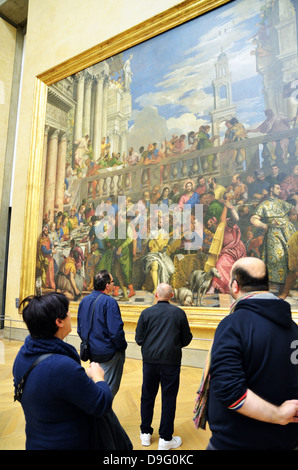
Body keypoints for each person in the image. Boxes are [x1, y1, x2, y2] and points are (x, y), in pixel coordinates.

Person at [206, 257, 298, 450]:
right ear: (266, 285)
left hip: (236, 442)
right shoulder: (293, 328)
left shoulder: (233, 325)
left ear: (235, 286)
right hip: (286, 440)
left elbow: (230, 391)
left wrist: (278, 414)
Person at [13, 292, 112, 450]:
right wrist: (98, 377)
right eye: (68, 313)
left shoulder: (23, 355)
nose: (70, 315)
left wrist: (77, 379)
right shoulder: (62, 366)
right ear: (59, 321)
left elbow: (47, 389)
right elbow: (101, 403)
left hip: (35, 441)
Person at [135, 283, 192, 450]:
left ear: (155, 295)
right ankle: (165, 439)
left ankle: (145, 434)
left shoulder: (146, 313)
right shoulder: (179, 313)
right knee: (168, 399)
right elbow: (186, 339)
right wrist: (173, 345)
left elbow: (139, 339)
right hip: (171, 362)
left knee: (147, 396)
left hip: (150, 362)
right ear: (172, 295)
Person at [77, 270, 127, 398]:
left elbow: (80, 328)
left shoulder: (84, 300)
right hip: (108, 354)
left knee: (95, 388)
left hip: (91, 352)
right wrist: (122, 347)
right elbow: (116, 333)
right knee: (106, 393)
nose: (113, 284)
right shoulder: (109, 302)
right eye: (112, 282)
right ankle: (101, 416)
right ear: (107, 286)